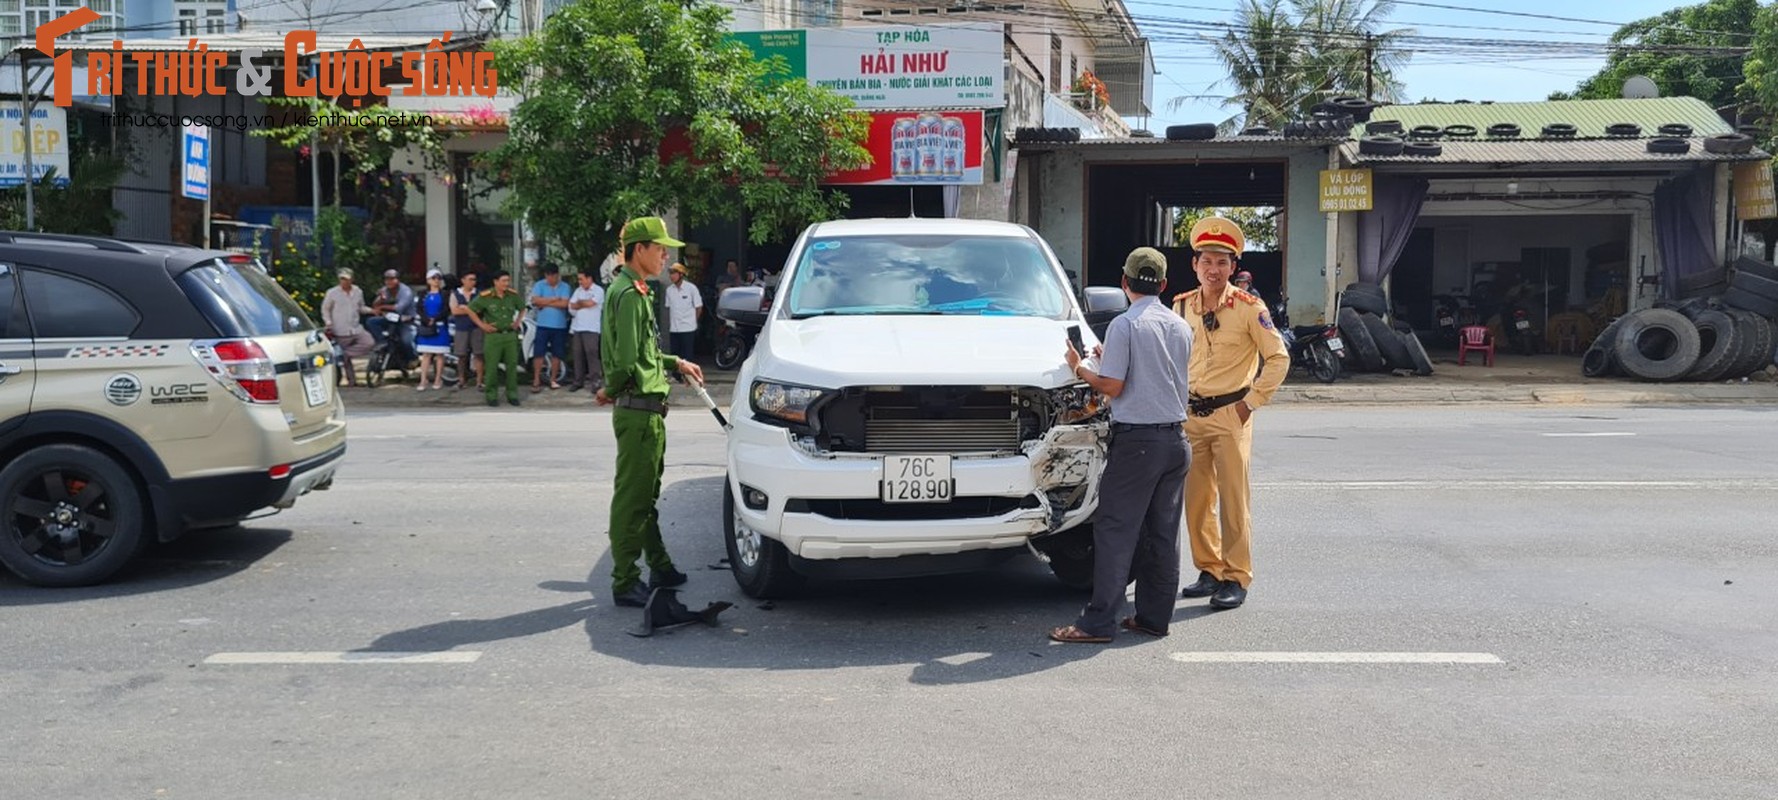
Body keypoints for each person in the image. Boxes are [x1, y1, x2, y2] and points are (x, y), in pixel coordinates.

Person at [1048, 247, 1194, 644]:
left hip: (1138, 445)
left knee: (1116, 531)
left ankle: (1096, 624)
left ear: (1124, 282)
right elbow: (1158, 372)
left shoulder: (1125, 326)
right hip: (1176, 444)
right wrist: (1107, 356)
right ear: (1163, 285)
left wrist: (1080, 366)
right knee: (1162, 534)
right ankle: (1153, 617)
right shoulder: (1181, 327)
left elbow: (1113, 386)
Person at [1171, 217, 1290, 610]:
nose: (1213, 269)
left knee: (1234, 500)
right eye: (1206, 260)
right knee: (1197, 497)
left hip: (1230, 414)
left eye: (1222, 262)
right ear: (1194, 265)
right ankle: (1209, 569)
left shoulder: (1248, 308)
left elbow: (1278, 358)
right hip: (1190, 416)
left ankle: (1236, 576)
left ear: (1233, 268)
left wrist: (1249, 404)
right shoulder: (1181, 306)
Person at [595, 217, 704, 608]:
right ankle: (625, 579)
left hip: (647, 412)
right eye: (659, 248)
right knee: (632, 499)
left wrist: (676, 362)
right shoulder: (627, 294)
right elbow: (626, 361)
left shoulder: (635, 290)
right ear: (638, 249)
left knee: (646, 495)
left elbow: (643, 353)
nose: (665, 255)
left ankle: (660, 565)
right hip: (638, 411)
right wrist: (610, 388)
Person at [466, 270, 529, 407]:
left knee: (512, 366)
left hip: (510, 335)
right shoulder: (486, 296)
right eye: (503, 281)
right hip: (493, 336)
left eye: (508, 281)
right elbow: (470, 309)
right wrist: (482, 325)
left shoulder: (512, 295)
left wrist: (518, 321)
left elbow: (523, 308)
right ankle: (491, 395)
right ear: (495, 282)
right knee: (492, 367)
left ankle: (512, 394)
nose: (506, 283)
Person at [321, 269, 374, 387]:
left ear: (351, 279)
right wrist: (328, 322)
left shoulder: (357, 291)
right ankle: (352, 381)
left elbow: (361, 307)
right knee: (346, 361)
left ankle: (346, 354)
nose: (344, 281)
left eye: (346, 279)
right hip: (340, 329)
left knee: (368, 342)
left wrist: (372, 311)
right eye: (342, 279)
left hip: (355, 328)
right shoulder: (332, 293)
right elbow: (325, 309)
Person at [528, 263, 573, 392]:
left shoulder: (565, 286)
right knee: (539, 353)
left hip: (559, 325)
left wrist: (545, 302)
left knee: (557, 353)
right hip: (542, 325)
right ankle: (536, 379)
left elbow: (564, 304)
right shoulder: (539, 285)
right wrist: (554, 299)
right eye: (548, 276)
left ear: (557, 275)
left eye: (553, 276)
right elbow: (536, 301)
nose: (550, 279)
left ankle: (553, 379)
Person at [367, 269, 418, 367]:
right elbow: (375, 305)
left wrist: (382, 307)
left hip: (406, 320)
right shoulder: (385, 290)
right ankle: (383, 343)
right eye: (386, 279)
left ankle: (413, 358)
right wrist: (380, 299)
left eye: (392, 279)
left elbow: (399, 308)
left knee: (406, 340)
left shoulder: (405, 291)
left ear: (398, 280)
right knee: (371, 322)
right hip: (391, 319)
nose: (389, 281)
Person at [414, 268, 453, 391]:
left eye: (438, 278)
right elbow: (419, 308)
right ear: (428, 280)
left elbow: (447, 309)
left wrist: (435, 319)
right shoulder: (422, 294)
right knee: (426, 355)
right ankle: (423, 379)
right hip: (427, 326)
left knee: (440, 355)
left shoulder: (445, 294)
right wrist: (426, 319)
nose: (436, 281)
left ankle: (438, 379)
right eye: (433, 278)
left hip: (440, 326)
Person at [567, 267, 604, 393]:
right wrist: (582, 303)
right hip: (577, 327)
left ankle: (595, 381)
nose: (580, 282)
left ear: (589, 278)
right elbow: (571, 306)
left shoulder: (598, 290)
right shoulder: (578, 291)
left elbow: (591, 303)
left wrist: (580, 304)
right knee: (577, 354)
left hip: (592, 328)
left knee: (592, 353)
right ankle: (578, 381)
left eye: (581, 279)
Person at [449, 271, 484, 390]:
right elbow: (454, 311)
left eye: (474, 279)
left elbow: (480, 310)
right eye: (470, 279)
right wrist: (471, 310)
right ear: (463, 280)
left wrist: (465, 309)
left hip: (476, 327)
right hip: (461, 327)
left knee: (479, 354)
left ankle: (479, 382)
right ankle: (461, 380)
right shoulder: (455, 294)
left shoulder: (478, 294)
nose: (472, 282)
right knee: (461, 355)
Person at [663, 263, 703, 367]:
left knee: (687, 354)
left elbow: (698, 307)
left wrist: (693, 321)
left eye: (674, 273)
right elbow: (668, 307)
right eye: (670, 273)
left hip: (688, 327)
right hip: (674, 328)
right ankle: (676, 376)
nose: (671, 276)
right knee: (675, 354)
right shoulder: (669, 290)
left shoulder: (691, 288)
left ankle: (688, 377)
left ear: (681, 274)